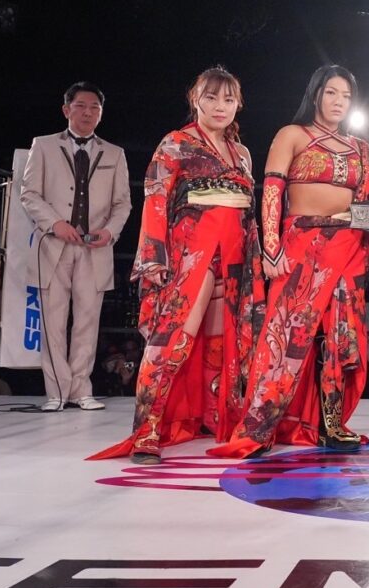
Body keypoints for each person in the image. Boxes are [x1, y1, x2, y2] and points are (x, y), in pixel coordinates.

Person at [210, 65, 369, 457]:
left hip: (349, 246)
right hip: (301, 246)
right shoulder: (292, 134)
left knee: (340, 335)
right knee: (286, 333)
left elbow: (368, 205)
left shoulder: (361, 148)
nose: (339, 101)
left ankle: (330, 424)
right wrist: (272, 247)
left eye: (346, 96)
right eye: (331, 93)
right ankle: (261, 426)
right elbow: (272, 192)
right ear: (316, 94)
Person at [89, 66, 264, 464]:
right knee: (173, 337)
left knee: (221, 338)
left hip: (235, 253)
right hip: (192, 251)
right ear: (195, 100)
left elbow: (249, 212)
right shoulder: (176, 143)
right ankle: (147, 428)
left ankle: (214, 415)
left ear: (238, 105)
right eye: (211, 97)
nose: (220, 106)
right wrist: (154, 257)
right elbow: (155, 198)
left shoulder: (242, 153)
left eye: (229, 99)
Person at [19, 81, 132, 411]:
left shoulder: (114, 153)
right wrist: (55, 223)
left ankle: (81, 389)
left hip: (95, 248)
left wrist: (109, 232)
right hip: (54, 244)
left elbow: (123, 203)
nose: (88, 112)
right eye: (81, 106)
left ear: (101, 114)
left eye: (95, 107)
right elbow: (29, 193)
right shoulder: (43, 145)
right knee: (53, 320)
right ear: (66, 109)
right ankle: (56, 392)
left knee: (88, 320)